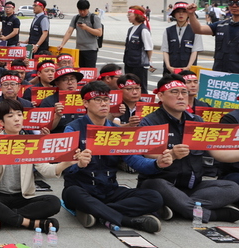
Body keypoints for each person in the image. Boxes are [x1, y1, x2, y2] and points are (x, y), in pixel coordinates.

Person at [62, 80, 171, 233]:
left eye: (106, 99)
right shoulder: (73, 128)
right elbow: (64, 168)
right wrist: (78, 164)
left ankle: (98, 212)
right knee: (72, 194)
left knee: (154, 197)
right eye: (98, 100)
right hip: (82, 189)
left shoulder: (116, 130)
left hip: (110, 190)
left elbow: (134, 160)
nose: (104, 104)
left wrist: (157, 163)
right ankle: (129, 220)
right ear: (85, 103)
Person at [137, 74, 239, 224]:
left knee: (232, 188)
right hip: (161, 183)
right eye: (174, 92)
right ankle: (212, 215)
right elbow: (148, 154)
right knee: (156, 185)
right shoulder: (150, 122)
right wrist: (171, 154)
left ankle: (177, 207)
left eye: (184, 92)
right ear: (161, 96)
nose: (181, 97)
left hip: (192, 188)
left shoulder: (197, 121)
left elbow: (219, 153)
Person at [0, 99, 76, 233]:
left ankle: (4, 217)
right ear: (1, 122)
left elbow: (45, 170)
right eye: (10, 116)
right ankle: (30, 223)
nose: (17, 119)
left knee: (53, 202)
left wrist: (66, 163)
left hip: (22, 196)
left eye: (19, 114)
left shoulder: (31, 142)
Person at [186, 0, 239, 73]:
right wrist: (191, 14)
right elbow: (198, 29)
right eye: (231, 2)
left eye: (238, 2)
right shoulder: (221, 25)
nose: (234, 5)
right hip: (219, 74)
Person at [56, 0, 102, 69]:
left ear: (88, 9)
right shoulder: (76, 18)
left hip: (91, 49)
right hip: (79, 49)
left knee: (90, 70)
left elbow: (99, 33)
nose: (82, 12)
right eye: (80, 10)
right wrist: (62, 44)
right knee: (80, 70)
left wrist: (86, 28)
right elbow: (69, 31)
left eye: (84, 10)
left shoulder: (94, 18)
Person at [161, 1, 202, 75]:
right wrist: (168, 67)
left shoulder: (195, 30)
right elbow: (165, 50)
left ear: (188, 14)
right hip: (171, 69)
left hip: (188, 69)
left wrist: (188, 67)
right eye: (178, 11)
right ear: (174, 14)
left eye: (184, 11)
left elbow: (195, 51)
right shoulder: (168, 30)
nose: (181, 14)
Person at [124, 5, 153, 93]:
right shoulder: (130, 29)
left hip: (139, 64)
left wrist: (148, 61)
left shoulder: (143, 30)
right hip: (129, 62)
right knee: (129, 85)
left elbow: (149, 48)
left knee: (141, 87)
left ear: (137, 15)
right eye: (128, 15)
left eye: (130, 14)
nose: (128, 16)